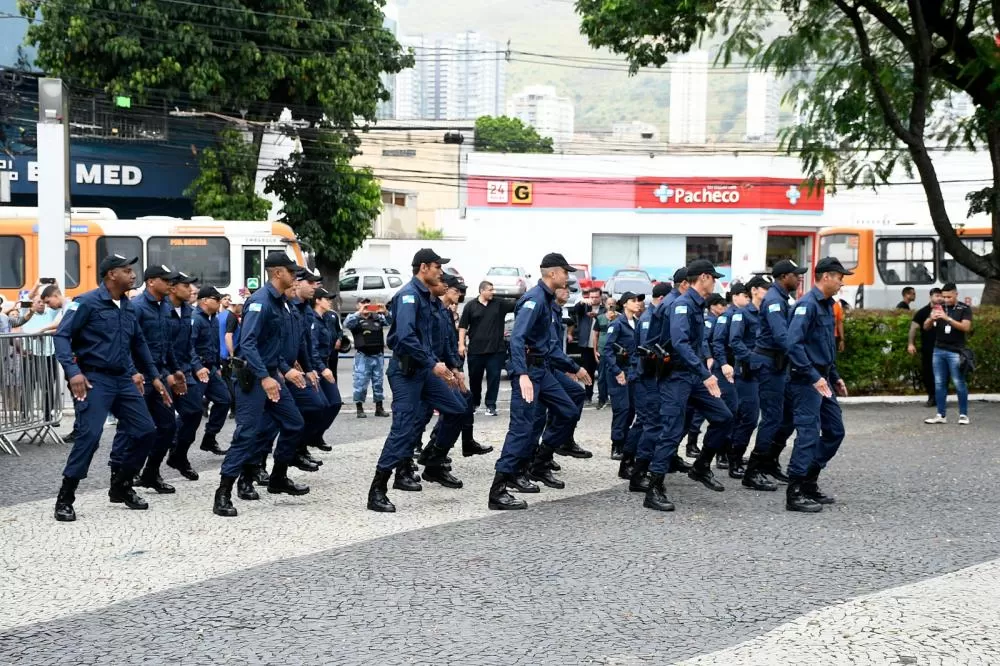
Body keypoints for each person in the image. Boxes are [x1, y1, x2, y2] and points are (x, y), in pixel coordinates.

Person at [51, 254, 165, 522]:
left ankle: (121, 486)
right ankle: (65, 497)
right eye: (127, 270)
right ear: (111, 275)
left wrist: (152, 375)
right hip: (94, 379)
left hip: (123, 379)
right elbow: (62, 336)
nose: (133, 275)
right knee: (89, 437)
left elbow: (138, 344)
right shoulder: (86, 302)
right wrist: (73, 372)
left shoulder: (127, 306)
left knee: (146, 431)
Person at [367, 249, 468, 513]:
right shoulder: (409, 296)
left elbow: (435, 339)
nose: (440, 272)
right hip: (406, 373)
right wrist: (433, 363)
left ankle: (432, 462)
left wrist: (451, 368)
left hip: (424, 371)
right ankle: (377, 490)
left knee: (458, 409)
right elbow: (404, 337)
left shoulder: (429, 299)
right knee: (403, 427)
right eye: (437, 266)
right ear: (423, 267)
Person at [488, 253, 591, 511]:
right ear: (552, 274)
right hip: (530, 373)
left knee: (568, 410)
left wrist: (575, 367)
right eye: (565, 272)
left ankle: (539, 463)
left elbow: (549, 347)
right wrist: (521, 374)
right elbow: (517, 338)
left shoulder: (546, 300)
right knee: (522, 428)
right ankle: (498, 490)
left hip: (542, 370)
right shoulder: (534, 300)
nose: (567, 277)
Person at [212, 252, 310, 518]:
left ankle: (278, 478)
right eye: (291, 271)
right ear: (278, 273)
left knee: (294, 424)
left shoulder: (279, 302)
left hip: (270, 375)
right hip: (253, 379)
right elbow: (248, 344)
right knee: (247, 432)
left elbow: (270, 346)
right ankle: (223, 493)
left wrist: (283, 371)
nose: (295, 276)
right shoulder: (260, 301)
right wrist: (266, 377)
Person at [644, 260, 733, 512]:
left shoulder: (696, 304)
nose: (715, 282)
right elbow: (680, 343)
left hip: (692, 376)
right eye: (713, 277)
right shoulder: (681, 304)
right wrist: (706, 373)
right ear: (703, 277)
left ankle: (701, 466)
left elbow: (695, 342)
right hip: (677, 376)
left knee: (724, 417)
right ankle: (654, 488)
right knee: (671, 429)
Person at [784, 257, 852, 513]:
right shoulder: (807, 305)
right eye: (839, 277)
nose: (841, 282)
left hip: (823, 379)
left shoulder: (827, 305)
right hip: (806, 381)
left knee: (835, 431)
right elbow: (793, 345)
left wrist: (834, 375)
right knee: (808, 434)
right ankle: (795, 492)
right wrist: (814, 377)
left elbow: (825, 346)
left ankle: (810, 480)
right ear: (826, 277)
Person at [744, 259, 806, 488]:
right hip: (769, 363)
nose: (799, 278)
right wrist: (803, 358)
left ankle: (769, 462)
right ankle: (753, 471)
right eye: (795, 274)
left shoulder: (781, 298)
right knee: (771, 417)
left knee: (787, 416)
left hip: (779, 363)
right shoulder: (773, 301)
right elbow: (782, 337)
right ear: (783, 277)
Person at [126, 265, 184, 496]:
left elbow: (167, 343)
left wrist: (175, 370)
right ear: (151, 281)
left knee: (168, 426)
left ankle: (151, 473)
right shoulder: (137, 307)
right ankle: (122, 479)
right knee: (132, 430)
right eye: (165, 279)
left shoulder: (164, 306)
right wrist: (132, 372)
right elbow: (129, 343)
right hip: (139, 376)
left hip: (158, 375)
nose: (170, 283)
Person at [173, 285, 231, 477]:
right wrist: (197, 366)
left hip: (211, 368)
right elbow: (189, 346)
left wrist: (217, 366)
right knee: (192, 411)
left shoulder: (213, 319)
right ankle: (176, 444)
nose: (220, 301)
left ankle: (209, 437)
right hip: (196, 369)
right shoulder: (195, 319)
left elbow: (213, 345)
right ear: (205, 300)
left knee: (224, 399)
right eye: (216, 298)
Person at [619, 281, 669, 483]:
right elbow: (647, 350)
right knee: (646, 421)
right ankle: (630, 464)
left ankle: (631, 462)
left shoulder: (652, 316)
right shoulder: (649, 319)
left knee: (644, 421)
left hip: (649, 377)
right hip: (644, 377)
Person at [729, 276, 775, 490]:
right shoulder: (742, 313)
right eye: (765, 288)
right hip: (747, 371)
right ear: (754, 290)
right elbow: (734, 342)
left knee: (765, 417)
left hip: (766, 372)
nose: (769, 291)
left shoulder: (767, 313)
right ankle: (735, 459)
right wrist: (753, 358)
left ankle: (750, 459)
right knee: (748, 417)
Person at [163, 272, 203, 481]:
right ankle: (135, 469)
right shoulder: (162, 309)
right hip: (163, 371)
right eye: (186, 286)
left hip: (184, 369)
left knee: (194, 412)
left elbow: (189, 344)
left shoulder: (188, 311)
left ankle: (178, 455)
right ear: (173, 288)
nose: (191, 290)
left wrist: (194, 367)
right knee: (162, 423)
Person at [458, 280, 514, 416]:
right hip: (476, 351)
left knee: (494, 378)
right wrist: (461, 344)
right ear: (481, 291)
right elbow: (463, 327)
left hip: (496, 350)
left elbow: (518, 304)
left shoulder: (499, 304)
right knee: (475, 379)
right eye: (490, 290)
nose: (492, 292)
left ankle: (491, 405)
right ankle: (475, 403)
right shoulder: (470, 306)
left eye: (493, 289)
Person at [923, 282, 973, 426]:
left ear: (956, 294)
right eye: (944, 297)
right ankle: (940, 414)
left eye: (949, 297)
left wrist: (947, 318)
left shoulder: (964, 308)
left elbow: (966, 327)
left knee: (959, 383)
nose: (946, 300)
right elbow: (926, 327)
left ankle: (963, 415)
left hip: (956, 351)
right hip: (938, 350)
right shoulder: (938, 307)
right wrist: (932, 318)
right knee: (939, 383)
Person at [604, 291, 642, 460]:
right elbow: (607, 350)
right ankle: (617, 445)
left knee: (633, 409)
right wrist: (617, 371)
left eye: (638, 301)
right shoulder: (617, 323)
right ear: (625, 304)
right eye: (633, 301)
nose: (637, 303)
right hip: (619, 371)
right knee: (622, 409)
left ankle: (627, 443)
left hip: (634, 371)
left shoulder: (637, 322)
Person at [307, 286, 344, 452]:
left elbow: (337, 335)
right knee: (318, 405)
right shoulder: (312, 320)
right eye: (326, 299)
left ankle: (316, 435)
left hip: (325, 363)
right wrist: (322, 368)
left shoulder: (328, 317)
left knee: (335, 402)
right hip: (314, 367)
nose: (329, 301)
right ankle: (303, 440)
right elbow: (311, 349)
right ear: (317, 300)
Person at [344, 298, 390, 418]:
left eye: (367, 303)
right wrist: (360, 312)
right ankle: (359, 408)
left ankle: (379, 408)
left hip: (378, 355)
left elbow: (391, 321)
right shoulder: (355, 319)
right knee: (360, 383)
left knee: (378, 383)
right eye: (363, 303)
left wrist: (385, 312)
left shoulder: (377, 318)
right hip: (363, 356)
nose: (366, 305)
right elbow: (346, 324)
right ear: (357, 306)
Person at [908, 288, 944, 408]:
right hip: (928, 348)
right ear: (931, 297)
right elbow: (913, 328)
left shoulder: (947, 310)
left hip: (945, 347)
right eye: (937, 296)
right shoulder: (923, 312)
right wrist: (911, 344)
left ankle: (941, 397)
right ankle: (931, 396)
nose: (939, 298)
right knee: (928, 373)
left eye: (941, 296)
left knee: (944, 374)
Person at [571, 288, 602, 405]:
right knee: (588, 371)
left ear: (600, 297)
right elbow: (574, 310)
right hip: (586, 344)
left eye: (596, 297)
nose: (593, 299)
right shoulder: (584, 307)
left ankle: (602, 396)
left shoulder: (604, 309)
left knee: (603, 372)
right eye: (591, 297)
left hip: (600, 345)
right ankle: (588, 396)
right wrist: (582, 302)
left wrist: (597, 315)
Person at [591, 294, 619, 409]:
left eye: (613, 304)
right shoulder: (600, 317)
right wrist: (595, 350)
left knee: (615, 375)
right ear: (605, 305)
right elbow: (595, 335)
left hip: (615, 352)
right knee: (602, 377)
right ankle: (602, 399)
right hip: (602, 351)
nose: (611, 305)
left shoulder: (620, 318)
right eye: (609, 304)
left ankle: (615, 399)